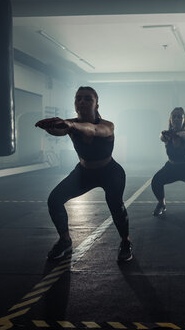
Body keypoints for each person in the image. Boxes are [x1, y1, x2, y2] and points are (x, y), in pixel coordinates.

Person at [35, 86, 132, 262]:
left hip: (110, 171)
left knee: (115, 205)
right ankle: (65, 241)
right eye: (79, 98)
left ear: (96, 104)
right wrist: (50, 127)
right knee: (54, 200)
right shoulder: (70, 124)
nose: (82, 101)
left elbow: (92, 130)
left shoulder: (107, 125)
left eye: (88, 98)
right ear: (75, 103)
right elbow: (61, 130)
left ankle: (125, 241)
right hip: (84, 172)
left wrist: (69, 124)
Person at [151, 107, 185, 217]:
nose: (176, 119)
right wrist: (165, 135)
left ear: (183, 120)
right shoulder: (166, 134)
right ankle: (161, 203)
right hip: (171, 167)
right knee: (156, 181)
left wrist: (174, 135)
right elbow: (161, 137)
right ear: (170, 120)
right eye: (174, 117)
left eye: (179, 117)